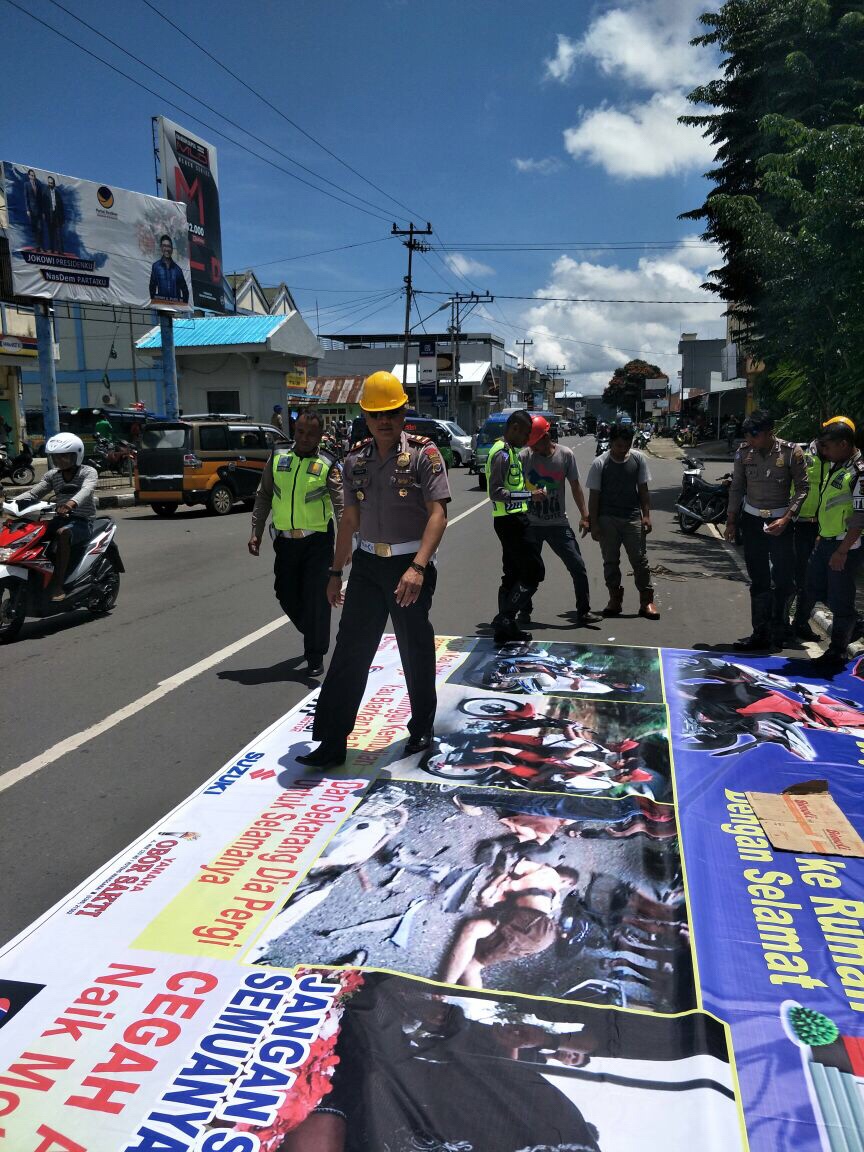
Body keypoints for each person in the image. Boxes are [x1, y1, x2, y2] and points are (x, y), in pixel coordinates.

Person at [297, 371, 450, 770]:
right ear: (365, 417)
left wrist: (418, 567)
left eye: (392, 413)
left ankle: (421, 728)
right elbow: (349, 519)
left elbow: (438, 514)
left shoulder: (423, 454)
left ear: (403, 414)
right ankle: (332, 740)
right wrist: (335, 572)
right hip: (366, 565)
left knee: (413, 647)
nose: (385, 421)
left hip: (408, 565)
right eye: (376, 414)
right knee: (350, 649)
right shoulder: (355, 459)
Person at [248, 409, 343, 677]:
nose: (304, 437)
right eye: (300, 431)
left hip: (318, 543)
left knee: (317, 598)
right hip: (286, 543)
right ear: (294, 429)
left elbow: (341, 507)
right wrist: (255, 530)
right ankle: (313, 631)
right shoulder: (278, 456)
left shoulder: (328, 463)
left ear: (319, 435)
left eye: (310, 433)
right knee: (285, 593)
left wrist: (346, 547)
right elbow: (264, 494)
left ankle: (315, 655)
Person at [724, 409, 809, 651]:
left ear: (769, 433)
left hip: (781, 521)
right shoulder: (743, 453)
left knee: (784, 577)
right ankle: (760, 632)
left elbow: (803, 488)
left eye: (755, 435)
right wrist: (731, 520)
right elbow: (737, 487)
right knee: (759, 577)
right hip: (752, 521)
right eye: (748, 435)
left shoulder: (791, 452)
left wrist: (787, 517)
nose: (750, 440)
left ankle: (780, 628)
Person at [442, 858, 581, 988]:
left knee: (472, 930)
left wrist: (491, 889)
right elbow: (510, 873)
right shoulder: (549, 885)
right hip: (540, 933)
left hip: (533, 923)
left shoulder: (545, 877)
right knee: (471, 967)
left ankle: (445, 988)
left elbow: (507, 871)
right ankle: (465, 1007)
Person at [520, 414, 601, 626]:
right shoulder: (524, 457)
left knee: (577, 565)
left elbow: (575, 486)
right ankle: (523, 611)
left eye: (535, 444)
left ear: (546, 437)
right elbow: (515, 487)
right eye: (531, 445)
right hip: (531, 523)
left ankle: (583, 611)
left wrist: (585, 516)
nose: (533, 449)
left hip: (557, 522)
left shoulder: (565, 455)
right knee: (528, 570)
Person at [800, 418, 864, 672]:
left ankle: (836, 653)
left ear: (844, 444)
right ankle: (853, 622)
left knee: (840, 597)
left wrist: (842, 550)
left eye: (828, 447)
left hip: (845, 546)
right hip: (827, 539)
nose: (823, 452)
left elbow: (860, 516)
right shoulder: (838, 465)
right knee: (814, 587)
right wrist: (822, 535)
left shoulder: (859, 471)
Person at [585, 422, 659, 619]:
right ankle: (614, 599)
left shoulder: (638, 459)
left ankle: (646, 601)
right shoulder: (600, 463)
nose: (622, 450)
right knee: (610, 561)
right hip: (607, 518)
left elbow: (643, 490)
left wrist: (647, 515)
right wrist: (594, 523)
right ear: (611, 443)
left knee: (640, 560)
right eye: (618, 445)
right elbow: (594, 496)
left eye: (626, 445)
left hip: (632, 517)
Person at [485, 409, 545, 644]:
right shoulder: (501, 454)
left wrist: (532, 492)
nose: (528, 439)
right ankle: (506, 618)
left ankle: (504, 629)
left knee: (512, 573)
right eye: (527, 433)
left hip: (513, 519)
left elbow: (515, 483)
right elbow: (496, 492)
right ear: (515, 428)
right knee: (534, 571)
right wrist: (530, 497)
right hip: (511, 521)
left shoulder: (511, 451)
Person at [15, 433, 98, 600]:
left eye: (65, 457)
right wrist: (12, 502)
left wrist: (70, 504)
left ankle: (58, 585)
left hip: (82, 522)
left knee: (62, 533)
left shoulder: (88, 472)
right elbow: (34, 493)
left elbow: (86, 490)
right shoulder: (53, 475)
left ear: (77, 455)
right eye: (56, 457)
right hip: (59, 518)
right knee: (29, 531)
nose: (60, 461)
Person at [789, 433, 830, 640]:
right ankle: (779, 624)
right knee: (792, 578)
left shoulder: (838, 463)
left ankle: (800, 622)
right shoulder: (803, 456)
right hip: (798, 525)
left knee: (813, 581)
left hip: (822, 530)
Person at [148, 234, 189, 304]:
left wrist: (182, 305)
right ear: (161, 248)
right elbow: (152, 287)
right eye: (164, 246)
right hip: (161, 307)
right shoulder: (156, 266)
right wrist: (155, 302)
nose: (166, 249)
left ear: (172, 249)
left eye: (169, 246)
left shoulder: (178, 269)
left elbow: (185, 290)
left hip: (175, 309)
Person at [24, 168, 45, 249]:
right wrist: (28, 209)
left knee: (40, 228)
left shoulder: (38, 185)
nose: (33, 177)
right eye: (32, 175)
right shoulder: (26, 184)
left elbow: (41, 199)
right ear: (29, 176)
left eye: (34, 175)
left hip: (39, 210)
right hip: (32, 210)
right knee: (35, 228)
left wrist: (43, 211)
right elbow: (26, 198)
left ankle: (41, 246)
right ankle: (37, 246)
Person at [44, 176, 64, 253]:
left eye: (51, 183)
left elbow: (61, 206)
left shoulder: (57, 193)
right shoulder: (45, 192)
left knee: (58, 234)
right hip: (49, 215)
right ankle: (51, 249)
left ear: (54, 184)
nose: (50, 184)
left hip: (57, 216)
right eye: (49, 183)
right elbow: (44, 205)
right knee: (50, 233)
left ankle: (60, 251)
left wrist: (62, 218)